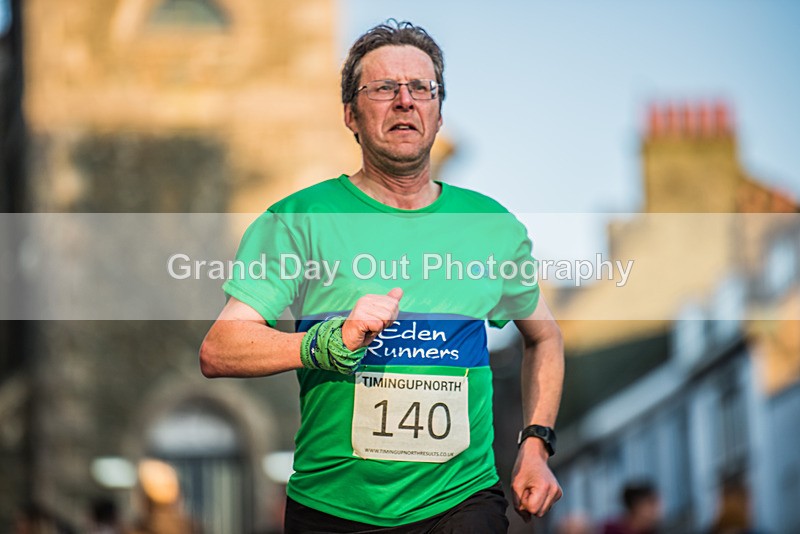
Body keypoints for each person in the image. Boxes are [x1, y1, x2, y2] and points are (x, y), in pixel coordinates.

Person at [200, 20, 564, 533]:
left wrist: (536, 443)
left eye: (421, 88)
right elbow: (220, 349)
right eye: (383, 89)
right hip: (333, 507)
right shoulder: (299, 218)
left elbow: (545, 337)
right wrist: (322, 343)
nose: (404, 101)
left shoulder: (490, 226)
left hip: (461, 501)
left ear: (438, 113)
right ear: (351, 114)